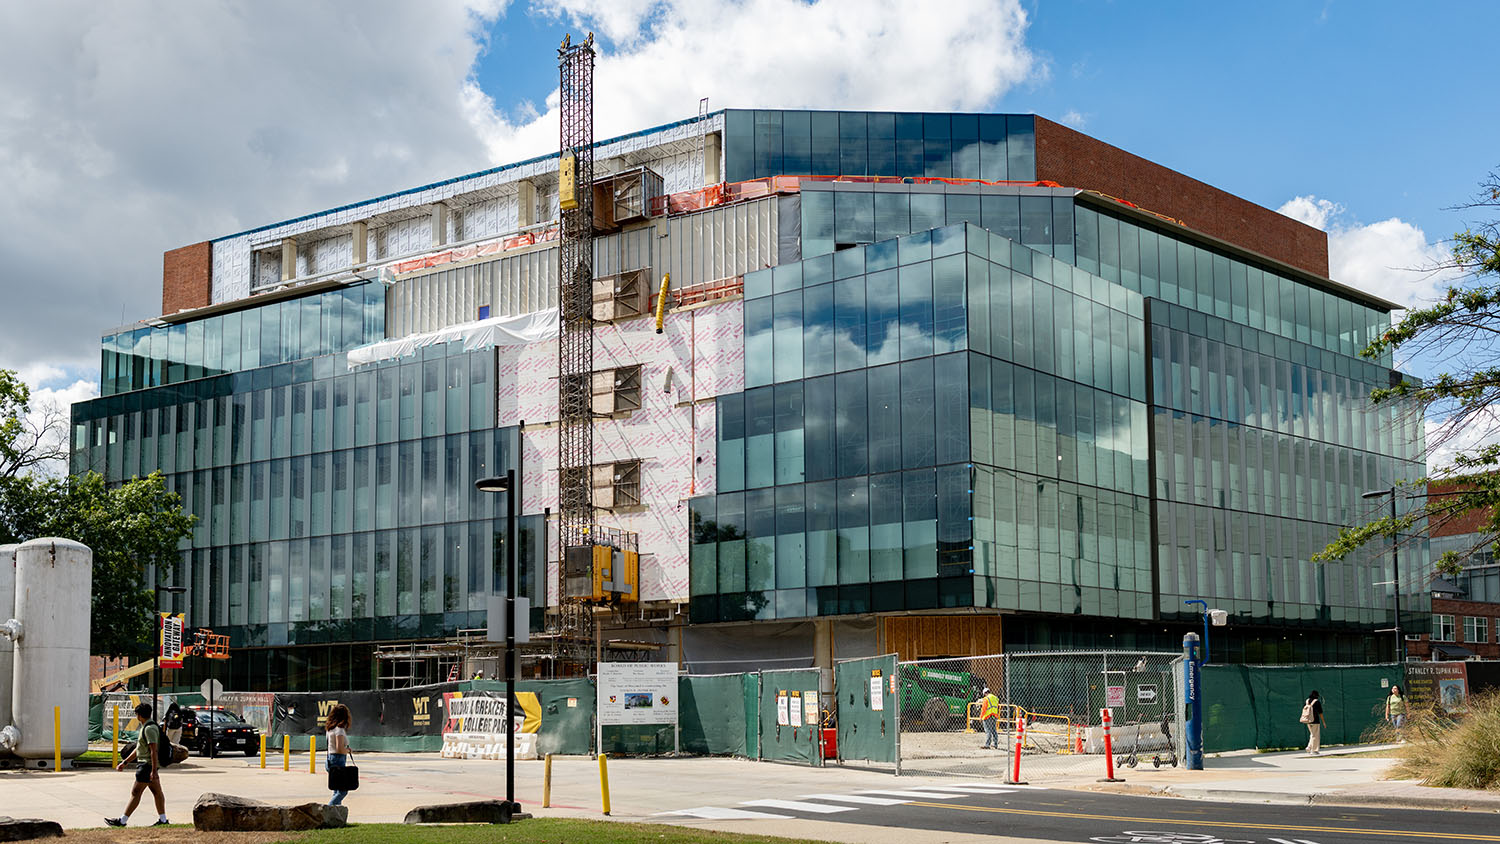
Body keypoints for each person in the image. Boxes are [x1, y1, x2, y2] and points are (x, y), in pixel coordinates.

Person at [105, 703, 169, 827]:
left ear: (139, 715)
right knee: (157, 792)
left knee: (136, 792)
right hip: (148, 765)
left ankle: (122, 821)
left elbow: (153, 750)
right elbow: (139, 749)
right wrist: (125, 762)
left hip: (146, 766)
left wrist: (154, 770)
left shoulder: (149, 729)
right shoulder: (146, 727)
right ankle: (163, 820)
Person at [325, 703, 353, 806]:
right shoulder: (339, 730)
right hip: (338, 759)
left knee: (336, 790)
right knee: (342, 791)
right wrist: (348, 750)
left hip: (330, 759)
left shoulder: (330, 729)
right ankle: (329, 809)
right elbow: (339, 748)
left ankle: (336, 815)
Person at [1301, 690, 1325, 755]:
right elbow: (1320, 713)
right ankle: (1314, 750)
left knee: (1312, 734)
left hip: (1308, 720)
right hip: (1315, 721)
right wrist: (1323, 722)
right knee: (1315, 735)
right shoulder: (1317, 702)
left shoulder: (1307, 701)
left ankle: (1309, 747)